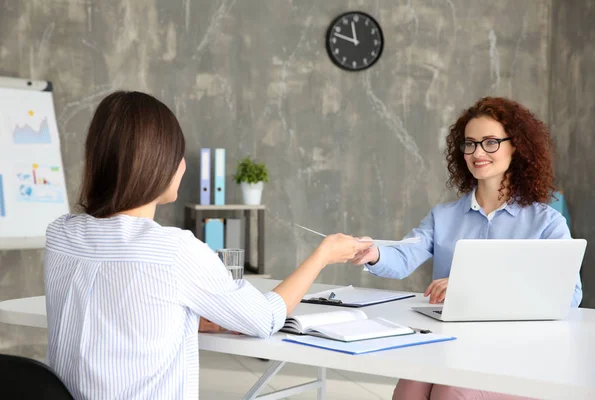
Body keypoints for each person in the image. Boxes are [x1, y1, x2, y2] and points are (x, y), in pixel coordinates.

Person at [44, 91, 372, 400]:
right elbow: (265, 320)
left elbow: (111, 311)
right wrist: (324, 255)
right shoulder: (174, 250)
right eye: (177, 156)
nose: (183, 166)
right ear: (155, 163)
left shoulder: (59, 234)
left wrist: (180, 316)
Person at [350, 97, 582, 400]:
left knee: (449, 391)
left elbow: (570, 294)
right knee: (409, 389)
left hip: (516, 352)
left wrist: (471, 286)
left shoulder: (546, 223)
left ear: (517, 147)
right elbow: (405, 254)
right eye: (470, 144)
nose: (477, 152)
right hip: (449, 343)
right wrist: (374, 252)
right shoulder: (444, 216)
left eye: (490, 142)